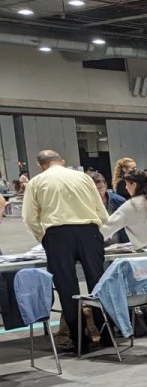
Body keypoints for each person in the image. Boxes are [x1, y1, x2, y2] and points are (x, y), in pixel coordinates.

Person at [22, 150, 110, 354]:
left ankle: (80, 341)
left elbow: (29, 217)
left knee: (67, 289)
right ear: (62, 161)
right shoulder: (83, 177)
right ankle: (107, 334)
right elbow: (100, 211)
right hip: (89, 231)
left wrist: (43, 237)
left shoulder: (37, 182)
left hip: (58, 235)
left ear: (40, 165)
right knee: (99, 284)